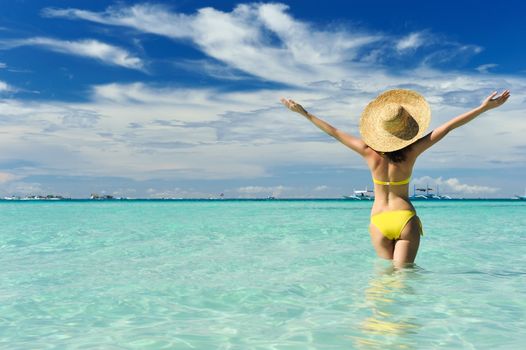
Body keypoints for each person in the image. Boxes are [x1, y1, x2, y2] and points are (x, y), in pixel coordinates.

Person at [281, 89, 510, 265]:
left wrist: (305, 113)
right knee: (405, 281)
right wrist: (483, 108)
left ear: (380, 132)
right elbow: (448, 127)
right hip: (404, 219)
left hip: (378, 221)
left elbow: (334, 132)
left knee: (384, 280)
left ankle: (380, 324)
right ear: (406, 132)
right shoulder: (411, 152)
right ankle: (404, 325)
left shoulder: (368, 152)